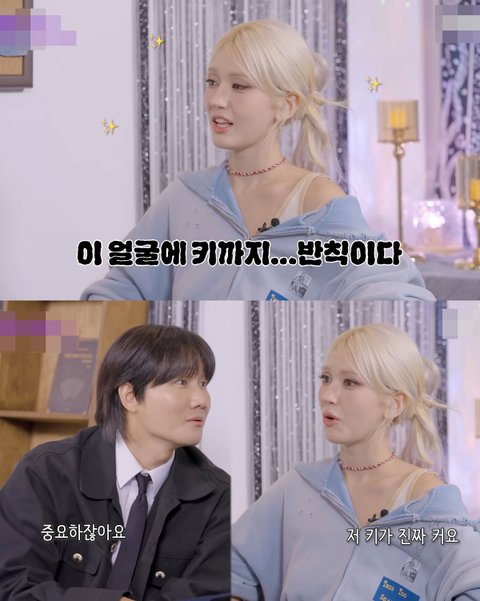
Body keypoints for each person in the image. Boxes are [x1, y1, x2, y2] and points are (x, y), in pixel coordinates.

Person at [81, 20, 434, 301]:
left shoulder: (319, 203)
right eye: (212, 81)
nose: (216, 99)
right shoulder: (184, 198)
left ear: (287, 105)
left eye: (239, 86)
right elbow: (123, 286)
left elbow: (387, 284)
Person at [231, 323, 480, 600]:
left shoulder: (429, 504)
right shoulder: (299, 488)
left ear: (395, 404)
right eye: (326, 378)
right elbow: (233, 569)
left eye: (350, 382)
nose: (327, 395)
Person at [0, 325, 230, 601]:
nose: (201, 400)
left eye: (203, 384)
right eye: (182, 382)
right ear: (129, 396)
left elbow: (206, 593)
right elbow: (13, 585)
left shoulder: (218, 496)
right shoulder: (46, 473)